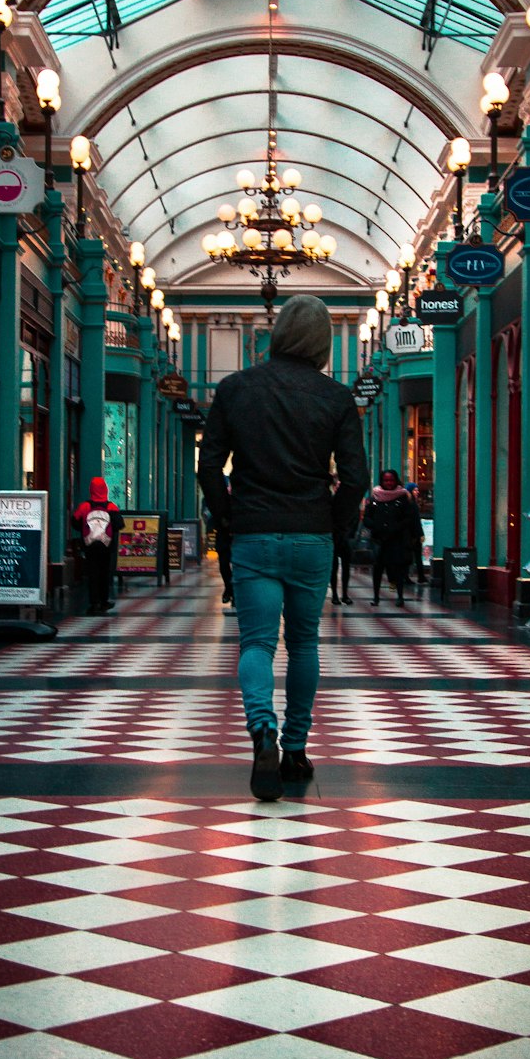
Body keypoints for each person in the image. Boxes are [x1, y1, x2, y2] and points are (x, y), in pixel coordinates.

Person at [198, 295, 368, 800]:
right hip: (311, 535)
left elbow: (208, 466)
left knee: (256, 643)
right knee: (305, 643)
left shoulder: (234, 389)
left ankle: (262, 732)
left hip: (252, 534)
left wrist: (228, 516)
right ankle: (295, 749)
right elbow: (355, 478)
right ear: (322, 342)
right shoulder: (336, 398)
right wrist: (335, 527)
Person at [73, 477, 125, 614]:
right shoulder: (111, 507)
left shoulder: (85, 506)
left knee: (92, 573)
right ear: (105, 489)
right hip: (106, 546)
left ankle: (94, 603)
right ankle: (104, 601)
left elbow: (74, 522)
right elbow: (120, 524)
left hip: (89, 545)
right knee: (105, 573)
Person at [364, 469, 414, 607]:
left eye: (391, 480)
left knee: (397, 568)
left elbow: (408, 518)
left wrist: (396, 528)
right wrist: (376, 527)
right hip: (379, 540)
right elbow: (367, 518)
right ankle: (376, 597)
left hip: (396, 540)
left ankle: (400, 595)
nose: (389, 483)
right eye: (386, 480)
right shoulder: (375, 498)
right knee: (378, 569)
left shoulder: (403, 497)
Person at [404, 481, 428, 585]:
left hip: (411, 534)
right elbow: (415, 521)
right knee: (414, 556)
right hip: (412, 535)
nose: (417, 492)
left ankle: (417, 576)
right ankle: (418, 576)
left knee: (414, 556)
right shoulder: (411, 504)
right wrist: (420, 534)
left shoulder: (411, 503)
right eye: (415, 490)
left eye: (417, 490)